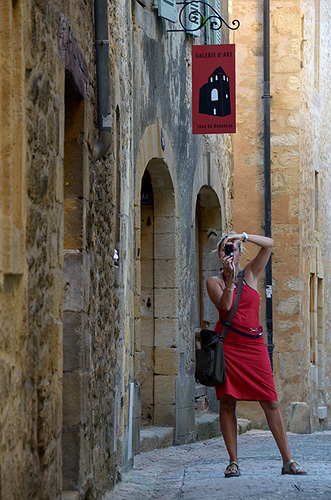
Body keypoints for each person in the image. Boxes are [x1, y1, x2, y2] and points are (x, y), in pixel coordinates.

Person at [206, 232, 307, 478]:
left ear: (240, 254)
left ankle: (287, 461)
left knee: (270, 401)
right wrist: (229, 280)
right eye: (225, 249)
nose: (229, 253)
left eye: (234, 249)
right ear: (220, 256)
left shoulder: (250, 274)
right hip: (229, 347)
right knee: (228, 401)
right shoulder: (214, 282)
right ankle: (233, 462)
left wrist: (243, 236)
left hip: (255, 346)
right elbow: (226, 306)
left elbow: (270, 244)